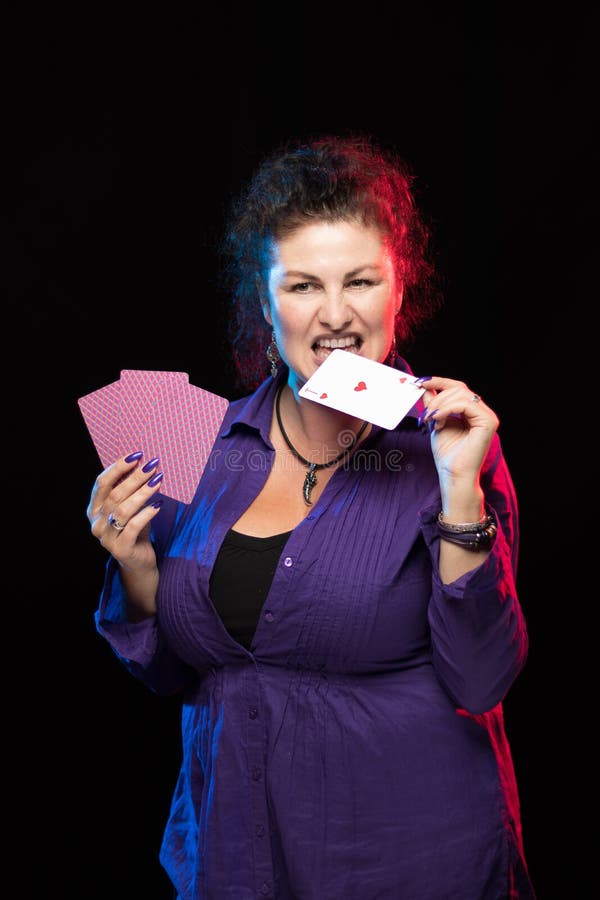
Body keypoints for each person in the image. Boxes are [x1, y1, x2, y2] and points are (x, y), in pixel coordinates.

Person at [87, 134, 536, 899]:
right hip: (235, 857)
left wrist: (461, 493)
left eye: (360, 281)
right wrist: (135, 567)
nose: (336, 315)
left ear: (401, 290)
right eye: (301, 286)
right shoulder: (201, 440)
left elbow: (482, 677)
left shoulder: (452, 449)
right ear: (264, 302)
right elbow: (173, 669)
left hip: (411, 864)